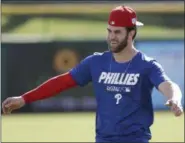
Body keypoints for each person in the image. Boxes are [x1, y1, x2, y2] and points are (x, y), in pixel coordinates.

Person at [2, 5, 183, 143]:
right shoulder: (96, 62)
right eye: (109, 31)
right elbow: (61, 82)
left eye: (117, 32)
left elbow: (167, 85)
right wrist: (25, 99)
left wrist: (174, 99)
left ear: (131, 33)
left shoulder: (147, 65)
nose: (111, 37)